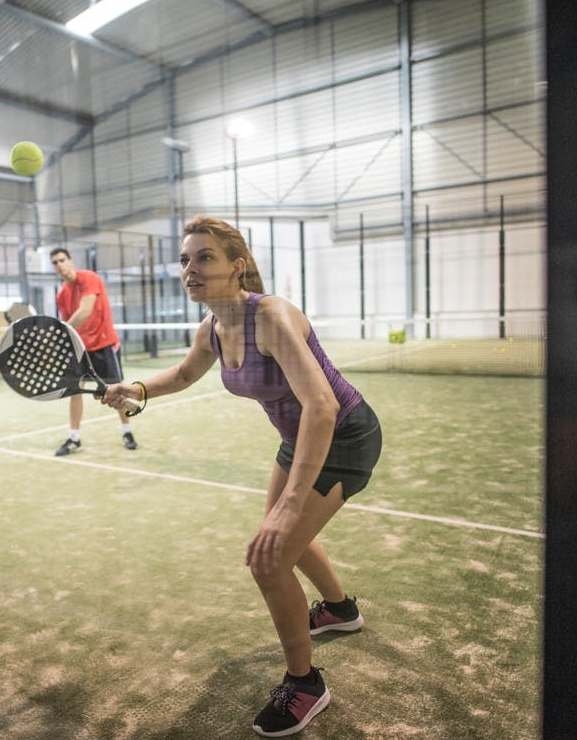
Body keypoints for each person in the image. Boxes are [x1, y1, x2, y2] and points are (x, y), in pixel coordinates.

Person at [101, 216, 382, 737]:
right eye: (185, 259)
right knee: (278, 540)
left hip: (342, 436)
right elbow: (185, 374)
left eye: (204, 258)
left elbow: (320, 407)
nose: (191, 269)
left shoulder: (270, 316)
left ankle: (306, 685)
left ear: (238, 266)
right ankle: (340, 610)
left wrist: (294, 503)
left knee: (270, 556)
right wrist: (136, 389)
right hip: (299, 438)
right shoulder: (211, 327)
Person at [50, 247, 138, 456]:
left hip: (104, 344)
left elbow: (85, 312)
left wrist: (61, 331)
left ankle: (127, 432)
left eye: (62, 260)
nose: (59, 265)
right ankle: (74, 438)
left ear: (70, 261)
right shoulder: (62, 294)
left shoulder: (89, 278)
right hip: (81, 349)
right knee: (75, 391)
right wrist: (64, 341)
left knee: (115, 390)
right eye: (55, 263)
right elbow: (71, 326)